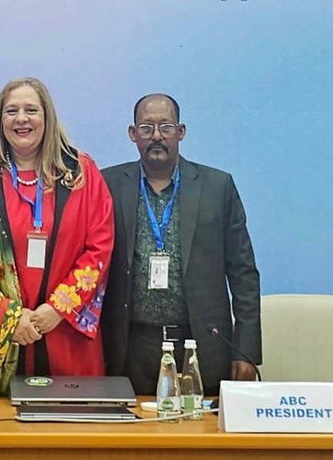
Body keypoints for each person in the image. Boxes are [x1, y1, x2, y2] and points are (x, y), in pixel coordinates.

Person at [0, 77, 114, 396]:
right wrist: (9, 318)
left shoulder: (80, 173)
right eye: (11, 111)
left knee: (70, 422)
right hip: (0, 343)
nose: (21, 119)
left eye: (31, 110)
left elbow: (99, 247)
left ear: (47, 116)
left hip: (65, 334)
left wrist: (58, 309)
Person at [101, 93, 261, 395]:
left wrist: (246, 350)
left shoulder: (217, 187)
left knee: (201, 424)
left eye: (166, 126)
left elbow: (244, 274)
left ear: (181, 131)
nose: (156, 136)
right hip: (130, 345)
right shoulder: (107, 185)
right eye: (146, 127)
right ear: (133, 134)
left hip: (202, 342)